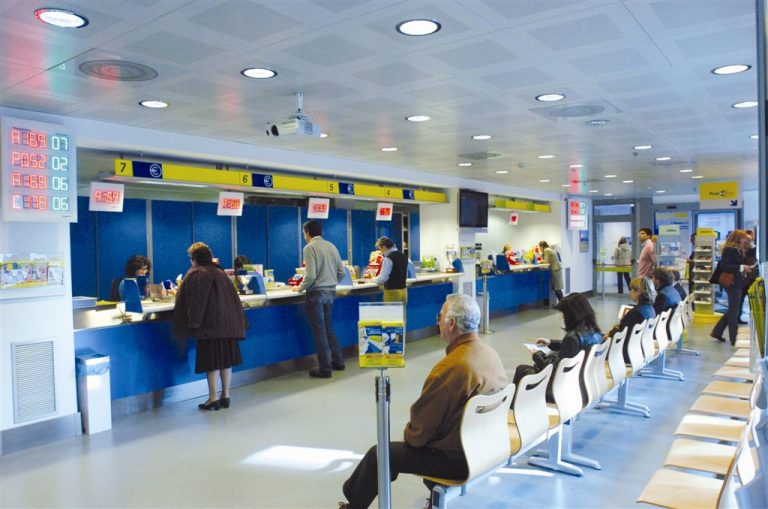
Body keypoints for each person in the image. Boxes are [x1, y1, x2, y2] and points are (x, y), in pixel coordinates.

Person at [339, 294, 507, 509]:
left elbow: (418, 435)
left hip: (457, 459)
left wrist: (411, 435)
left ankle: (353, 506)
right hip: (485, 446)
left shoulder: (452, 367)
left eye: (440, 316)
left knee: (380, 454)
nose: (438, 321)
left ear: (451, 323)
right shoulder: (490, 355)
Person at [173, 242, 246, 411]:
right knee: (226, 361)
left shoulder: (197, 274)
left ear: (194, 259)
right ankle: (225, 395)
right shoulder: (221, 272)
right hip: (228, 325)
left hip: (210, 326)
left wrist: (194, 323)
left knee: (211, 361)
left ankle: (213, 398)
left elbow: (196, 302)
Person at [513, 293, 602, 403]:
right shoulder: (594, 331)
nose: (563, 317)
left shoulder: (572, 337)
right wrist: (551, 343)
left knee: (521, 370)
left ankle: (515, 407)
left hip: (560, 389)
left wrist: (537, 354)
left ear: (572, 314)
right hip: (583, 383)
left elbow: (554, 369)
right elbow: (574, 346)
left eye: (564, 314)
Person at [292, 219, 346, 378]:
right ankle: (339, 362)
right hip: (330, 292)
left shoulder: (309, 248)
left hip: (316, 294)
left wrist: (299, 288)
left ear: (307, 232)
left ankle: (325, 369)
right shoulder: (332, 246)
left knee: (319, 331)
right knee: (328, 328)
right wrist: (331, 282)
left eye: (304, 233)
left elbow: (311, 275)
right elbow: (342, 272)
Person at [710, 230, 752, 345]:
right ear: (738, 238)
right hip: (732, 283)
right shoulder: (730, 250)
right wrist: (741, 267)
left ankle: (717, 331)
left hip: (736, 282)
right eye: (743, 238)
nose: (745, 240)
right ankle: (734, 337)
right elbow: (725, 266)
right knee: (734, 311)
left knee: (733, 309)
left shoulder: (737, 250)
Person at [605, 277, 656, 363]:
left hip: (625, 353)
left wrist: (611, 333)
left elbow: (622, 335)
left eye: (631, 289)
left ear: (638, 292)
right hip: (640, 349)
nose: (630, 292)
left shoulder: (636, 313)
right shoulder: (650, 309)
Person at [373, 236, 413, 304]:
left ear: (384, 247)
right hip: (404, 291)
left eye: (380, 249)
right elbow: (406, 274)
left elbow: (383, 278)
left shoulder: (388, 258)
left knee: (391, 311)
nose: (381, 252)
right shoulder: (404, 257)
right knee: (402, 311)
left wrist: (374, 279)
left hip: (392, 292)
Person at [737, 229, 758, 324]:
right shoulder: (740, 250)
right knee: (742, 300)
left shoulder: (753, 250)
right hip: (745, 278)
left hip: (750, 277)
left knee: (749, 299)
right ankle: (739, 317)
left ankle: (752, 317)